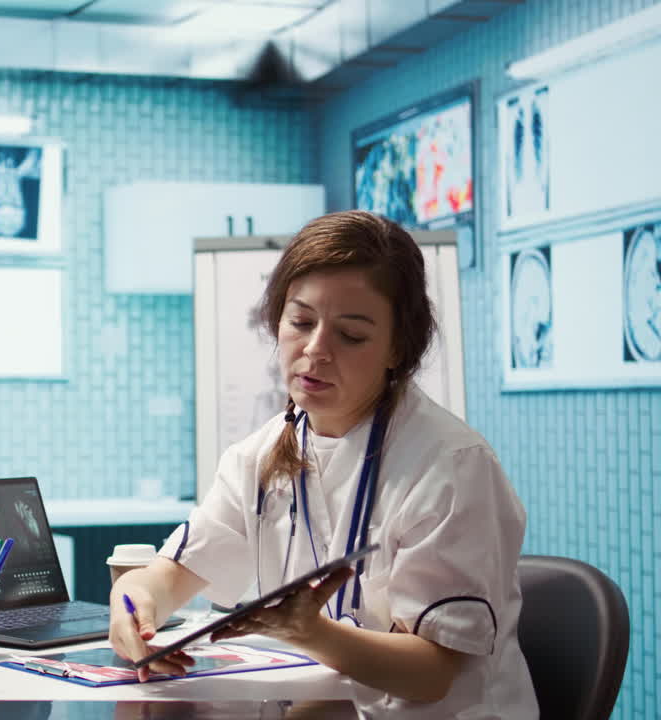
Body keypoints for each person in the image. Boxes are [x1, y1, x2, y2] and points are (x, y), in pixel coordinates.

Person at [110, 210, 538, 718]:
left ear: (397, 347)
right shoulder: (261, 455)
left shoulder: (451, 467)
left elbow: (431, 674)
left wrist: (310, 633)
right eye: (301, 322)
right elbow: (166, 578)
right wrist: (134, 607)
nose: (315, 350)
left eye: (351, 335)